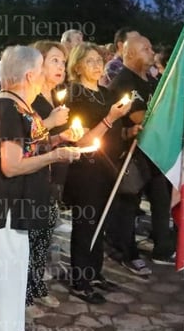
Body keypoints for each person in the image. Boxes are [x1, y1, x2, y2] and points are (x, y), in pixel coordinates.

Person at [0, 45, 81, 331]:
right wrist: (56, 155)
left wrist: (58, 140)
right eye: (40, 70)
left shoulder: (20, 105)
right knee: (6, 274)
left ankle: (13, 329)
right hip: (7, 204)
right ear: (29, 74)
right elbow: (11, 165)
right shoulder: (8, 108)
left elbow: (30, 144)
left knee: (16, 271)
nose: (44, 77)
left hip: (21, 204)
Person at [62, 42, 132, 303]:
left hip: (108, 165)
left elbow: (116, 131)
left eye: (99, 60)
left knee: (101, 222)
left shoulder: (107, 93)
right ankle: (80, 279)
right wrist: (110, 119)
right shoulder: (74, 95)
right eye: (90, 61)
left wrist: (128, 131)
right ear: (78, 66)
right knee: (86, 223)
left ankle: (94, 270)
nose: (96, 65)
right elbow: (80, 140)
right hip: (86, 168)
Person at [106, 34, 171, 272]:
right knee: (128, 205)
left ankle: (164, 248)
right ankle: (126, 252)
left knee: (161, 200)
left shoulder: (152, 80)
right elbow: (140, 119)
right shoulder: (124, 82)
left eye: (151, 47)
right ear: (130, 53)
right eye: (146, 48)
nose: (152, 51)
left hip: (153, 151)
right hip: (131, 154)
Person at [24, 41, 71, 316]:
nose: (61, 67)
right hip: (35, 177)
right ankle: (26, 293)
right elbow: (25, 142)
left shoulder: (56, 97)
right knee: (32, 235)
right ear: (37, 63)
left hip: (54, 176)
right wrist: (51, 125)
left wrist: (63, 137)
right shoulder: (30, 100)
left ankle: (38, 284)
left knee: (45, 233)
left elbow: (47, 141)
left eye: (63, 62)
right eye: (54, 60)